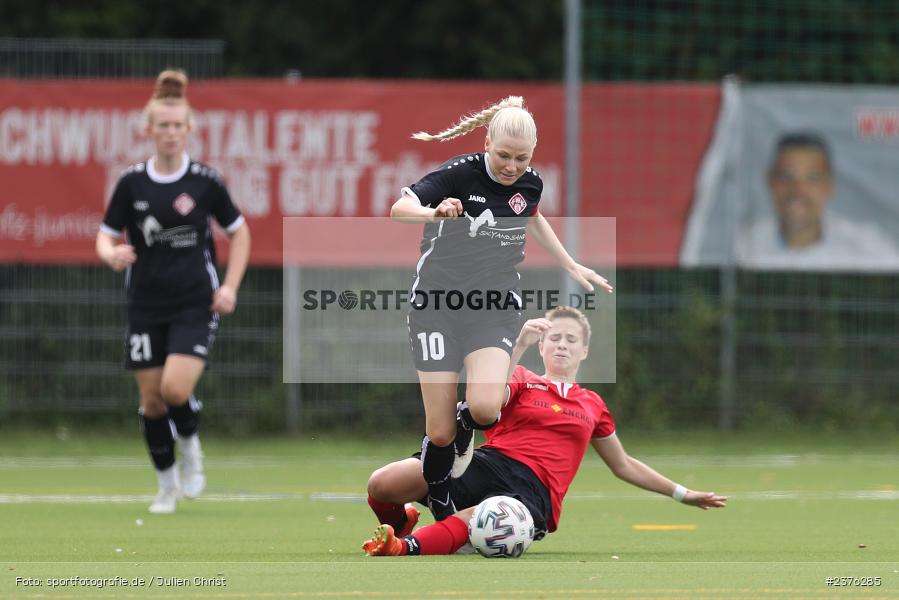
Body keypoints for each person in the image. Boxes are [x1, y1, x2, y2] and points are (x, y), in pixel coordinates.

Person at [389, 96, 614, 522]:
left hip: (493, 308)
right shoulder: (458, 173)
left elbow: (531, 215)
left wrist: (568, 261)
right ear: (487, 141)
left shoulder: (530, 182)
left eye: (522, 158)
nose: (512, 167)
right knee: (438, 433)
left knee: (485, 409)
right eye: (504, 156)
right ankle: (440, 500)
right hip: (436, 306)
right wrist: (433, 212)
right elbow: (399, 209)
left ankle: (464, 427)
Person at [362, 306, 727, 556]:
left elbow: (624, 465)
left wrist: (684, 494)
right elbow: (488, 399)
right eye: (554, 338)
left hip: (532, 491)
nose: (562, 345)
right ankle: (403, 521)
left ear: (584, 350)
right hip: (487, 462)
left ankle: (405, 548)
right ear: (542, 345)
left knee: (484, 519)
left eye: (571, 339)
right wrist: (516, 346)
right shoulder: (523, 378)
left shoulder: (592, 404)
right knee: (381, 485)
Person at [95, 70, 251, 514]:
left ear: (188, 130)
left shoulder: (205, 181)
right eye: (160, 125)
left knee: (175, 390)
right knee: (150, 402)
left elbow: (240, 234)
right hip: (145, 303)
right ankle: (166, 487)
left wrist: (230, 287)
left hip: (194, 303)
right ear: (149, 130)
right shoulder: (131, 183)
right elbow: (104, 236)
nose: (168, 132)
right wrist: (111, 254)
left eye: (176, 125)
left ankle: (192, 449)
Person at [737, 131, 899, 270]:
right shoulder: (746, 244)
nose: (798, 190)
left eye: (812, 179)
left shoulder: (867, 245)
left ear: (829, 186)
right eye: (786, 177)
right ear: (770, 181)